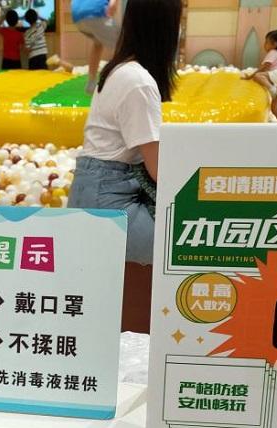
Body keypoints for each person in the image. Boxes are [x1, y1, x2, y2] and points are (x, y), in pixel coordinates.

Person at [67, 0, 182, 264]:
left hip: (93, 189)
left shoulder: (119, 69)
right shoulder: (139, 82)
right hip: (107, 199)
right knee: (180, 245)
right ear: (164, 30)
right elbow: (158, 170)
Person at [71, 0, 120, 94]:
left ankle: (91, 83)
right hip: (96, 12)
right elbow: (113, 5)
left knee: (98, 43)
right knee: (122, 42)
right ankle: (120, 81)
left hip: (77, 16)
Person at [244, 30, 277, 120]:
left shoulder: (272, 52)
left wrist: (251, 76)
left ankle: (272, 90)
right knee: (274, 109)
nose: (264, 45)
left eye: (267, 42)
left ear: (274, 44)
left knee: (258, 76)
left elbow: (264, 67)